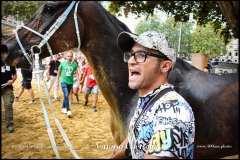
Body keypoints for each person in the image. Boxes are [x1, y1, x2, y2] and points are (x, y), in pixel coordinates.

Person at [106, 31, 195, 159]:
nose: (130, 61)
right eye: (131, 55)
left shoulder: (172, 111)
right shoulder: (150, 100)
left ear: (164, 66)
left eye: (141, 55)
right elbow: (135, 137)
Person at [56, 51, 79, 117]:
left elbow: (76, 72)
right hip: (63, 81)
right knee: (66, 94)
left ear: (72, 56)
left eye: (70, 56)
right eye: (68, 56)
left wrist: (78, 80)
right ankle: (68, 110)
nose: (69, 57)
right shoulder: (62, 63)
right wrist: (57, 81)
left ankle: (63, 108)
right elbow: (59, 71)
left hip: (70, 82)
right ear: (66, 56)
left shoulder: (74, 64)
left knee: (67, 95)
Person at [1, 53, 17, 133]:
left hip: (7, 88)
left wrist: (12, 80)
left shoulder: (10, 62)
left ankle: (9, 125)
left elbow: (14, 75)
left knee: (8, 105)